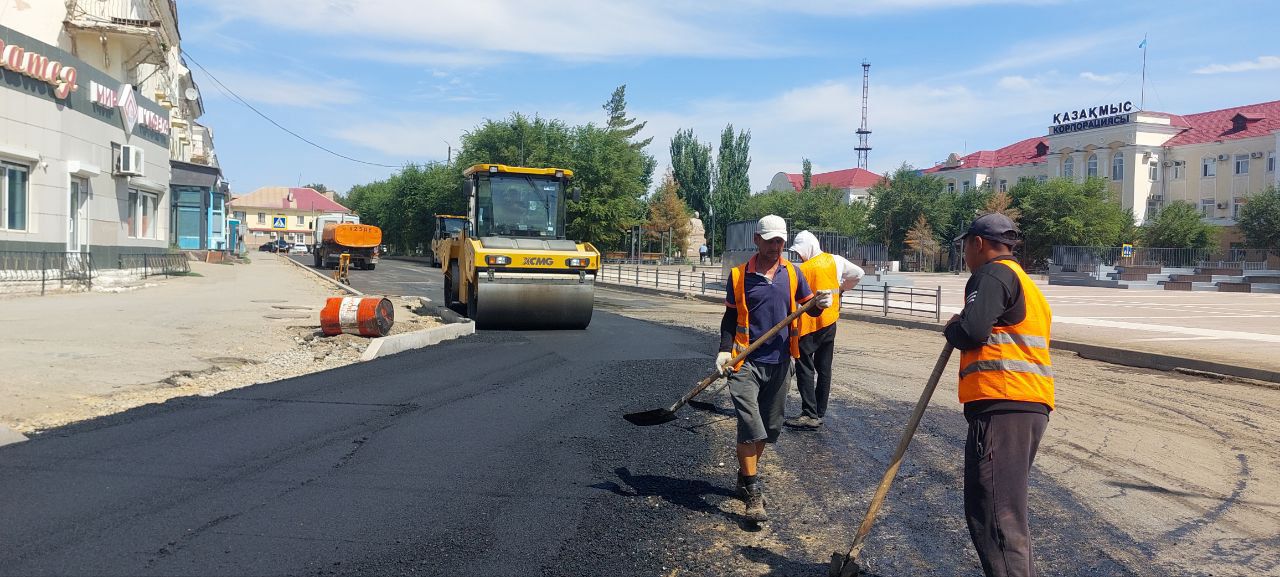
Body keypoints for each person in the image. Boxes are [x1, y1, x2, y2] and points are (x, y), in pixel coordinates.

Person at [944, 213, 1054, 577]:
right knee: (1003, 511)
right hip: (1024, 405)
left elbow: (974, 331)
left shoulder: (991, 274)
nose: (964, 255)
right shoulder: (1025, 281)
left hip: (1003, 404)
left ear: (977, 243)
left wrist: (953, 328)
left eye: (965, 246)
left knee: (996, 516)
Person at [716, 215, 833, 523]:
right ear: (757, 240)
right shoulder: (739, 276)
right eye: (770, 241)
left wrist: (821, 302)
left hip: (780, 363)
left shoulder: (793, 274)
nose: (776, 246)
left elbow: (810, 304)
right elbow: (729, 318)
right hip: (745, 363)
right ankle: (754, 494)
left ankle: (745, 474)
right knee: (750, 426)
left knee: (768, 430)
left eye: (780, 241)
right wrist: (723, 350)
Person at [784, 230, 864, 430]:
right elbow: (858, 273)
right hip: (830, 323)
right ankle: (819, 412)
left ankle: (809, 414)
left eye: (800, 252)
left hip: (809, 326)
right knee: (824, 368)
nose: (799, 255)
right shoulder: (836, 261)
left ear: (808, 249)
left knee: (804, 367)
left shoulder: (801, 269)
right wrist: (843, 288)